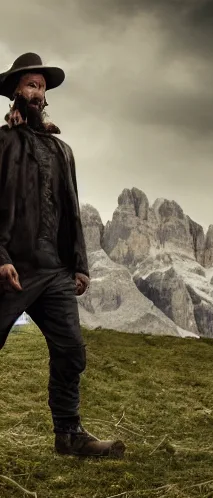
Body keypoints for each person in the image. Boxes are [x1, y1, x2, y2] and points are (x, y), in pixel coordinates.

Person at [0, 52, 126, 458]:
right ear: (16, 92)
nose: (37, 93)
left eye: (42, 87)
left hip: (54, 270)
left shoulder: (62, 150)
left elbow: (72, 209)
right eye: (30, 85)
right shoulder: (1, 144)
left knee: (71, 350)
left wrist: (80, 264)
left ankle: (69, 435)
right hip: (11, 266)